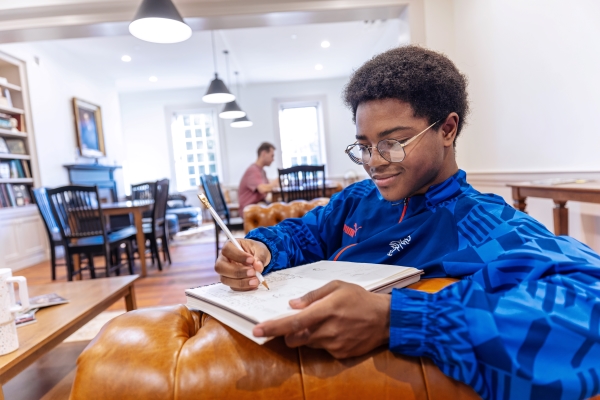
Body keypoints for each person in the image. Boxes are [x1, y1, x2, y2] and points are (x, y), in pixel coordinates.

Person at [215, 46, 600, 400]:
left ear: (447, 129)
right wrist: (263, 247)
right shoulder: (358, 199)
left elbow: (590, 303)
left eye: (392, 142)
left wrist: (400, 318)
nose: (375, 162)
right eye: (364, 146)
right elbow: (306, 232)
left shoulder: (481, 223)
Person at [238, 142, 276, 217]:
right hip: (249, 208)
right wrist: (276, 182)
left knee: (277, 206)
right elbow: (263, 189)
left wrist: (273, 184)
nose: (273, 159)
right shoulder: (253, 170)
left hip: (258, 204)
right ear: (264, 153)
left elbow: (268, 186)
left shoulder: (262, 171)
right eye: (272, 156)